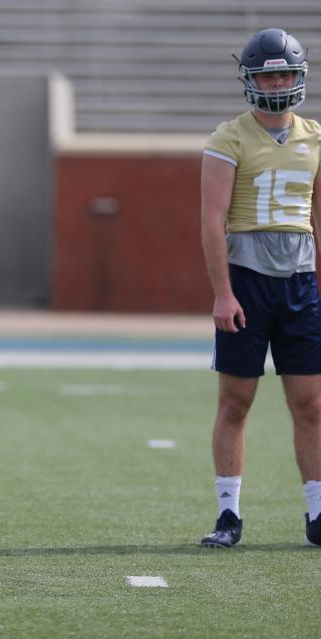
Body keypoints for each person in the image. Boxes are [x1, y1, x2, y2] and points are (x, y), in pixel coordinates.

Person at [199, 27, 321, 548]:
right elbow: (211, 220)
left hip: (301, 281)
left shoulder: (315, 136)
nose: (276, 82)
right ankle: (229, 514)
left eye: (285, 73)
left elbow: (317, 215)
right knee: (235, 402)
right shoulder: (229, 136)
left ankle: (317, 514)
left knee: (312, 404)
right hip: (247, 280)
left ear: (299, 76)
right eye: (268, 73)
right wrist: (223, 292)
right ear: (250, 79)